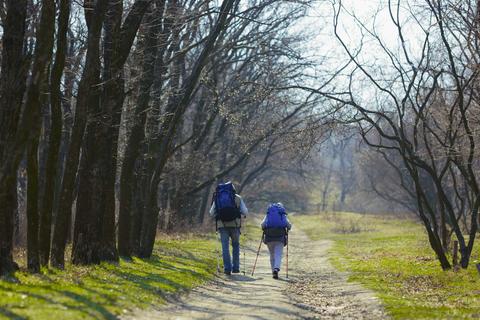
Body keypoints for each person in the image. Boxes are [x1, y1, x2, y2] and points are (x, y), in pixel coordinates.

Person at [210, 181, 248, 275]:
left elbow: (211, 213)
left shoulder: (218, 197)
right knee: (235, 245)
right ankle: (236, 268)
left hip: (222, 226)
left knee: (225, 247)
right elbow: (245, 212)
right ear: (233, 190)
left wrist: (218, 215)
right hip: (235, 225)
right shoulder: (238, 198)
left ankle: (227, 268)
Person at [261, 202, 291, 279]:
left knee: (272, 254)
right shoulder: (282, 214)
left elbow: (263, 224)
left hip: (269, 237)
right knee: (278, 254)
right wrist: (288, 227)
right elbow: (289, 225)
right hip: (280, 237)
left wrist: (265, 228)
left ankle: (273, 271)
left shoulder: (268, 214)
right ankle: (276, 269)